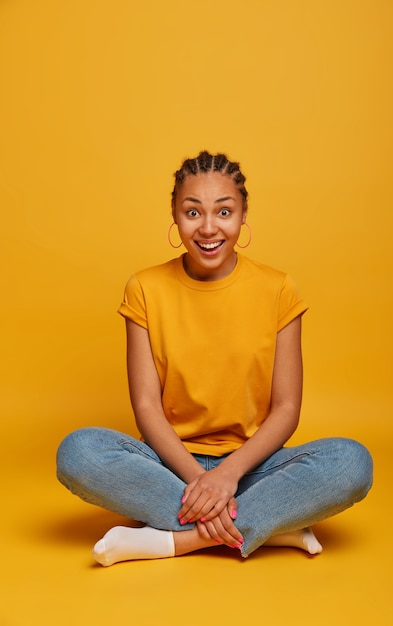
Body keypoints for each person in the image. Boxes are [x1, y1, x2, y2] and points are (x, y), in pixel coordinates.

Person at [56, 150, 373, 567]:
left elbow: (287, 408)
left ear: (243, 217)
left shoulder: (278, 289)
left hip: (252, 466)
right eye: (193, 212)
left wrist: (227, 476)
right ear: (175, 215)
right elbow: (147, 407)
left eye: (224, 212)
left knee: (351, 463)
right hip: (169, 467)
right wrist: (199, 480)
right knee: (77, 452)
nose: (208, 227)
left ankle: (171, 541)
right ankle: (268, 525)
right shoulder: (145, 288)